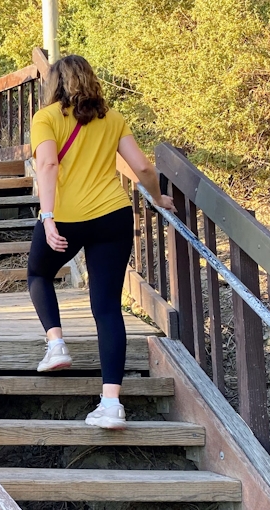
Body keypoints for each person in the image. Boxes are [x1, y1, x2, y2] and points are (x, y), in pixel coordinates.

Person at [27, 54, 174, 429]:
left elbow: (47, 165)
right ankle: (111, 405)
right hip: (113, 216)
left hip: (67, 217)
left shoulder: (44, 119)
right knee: (107, 308)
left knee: (39, 274)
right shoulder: (113, 118)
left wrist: (47, 218)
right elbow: (142, 167)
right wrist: (158, 198)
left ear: (54, 84)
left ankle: (56, 344)